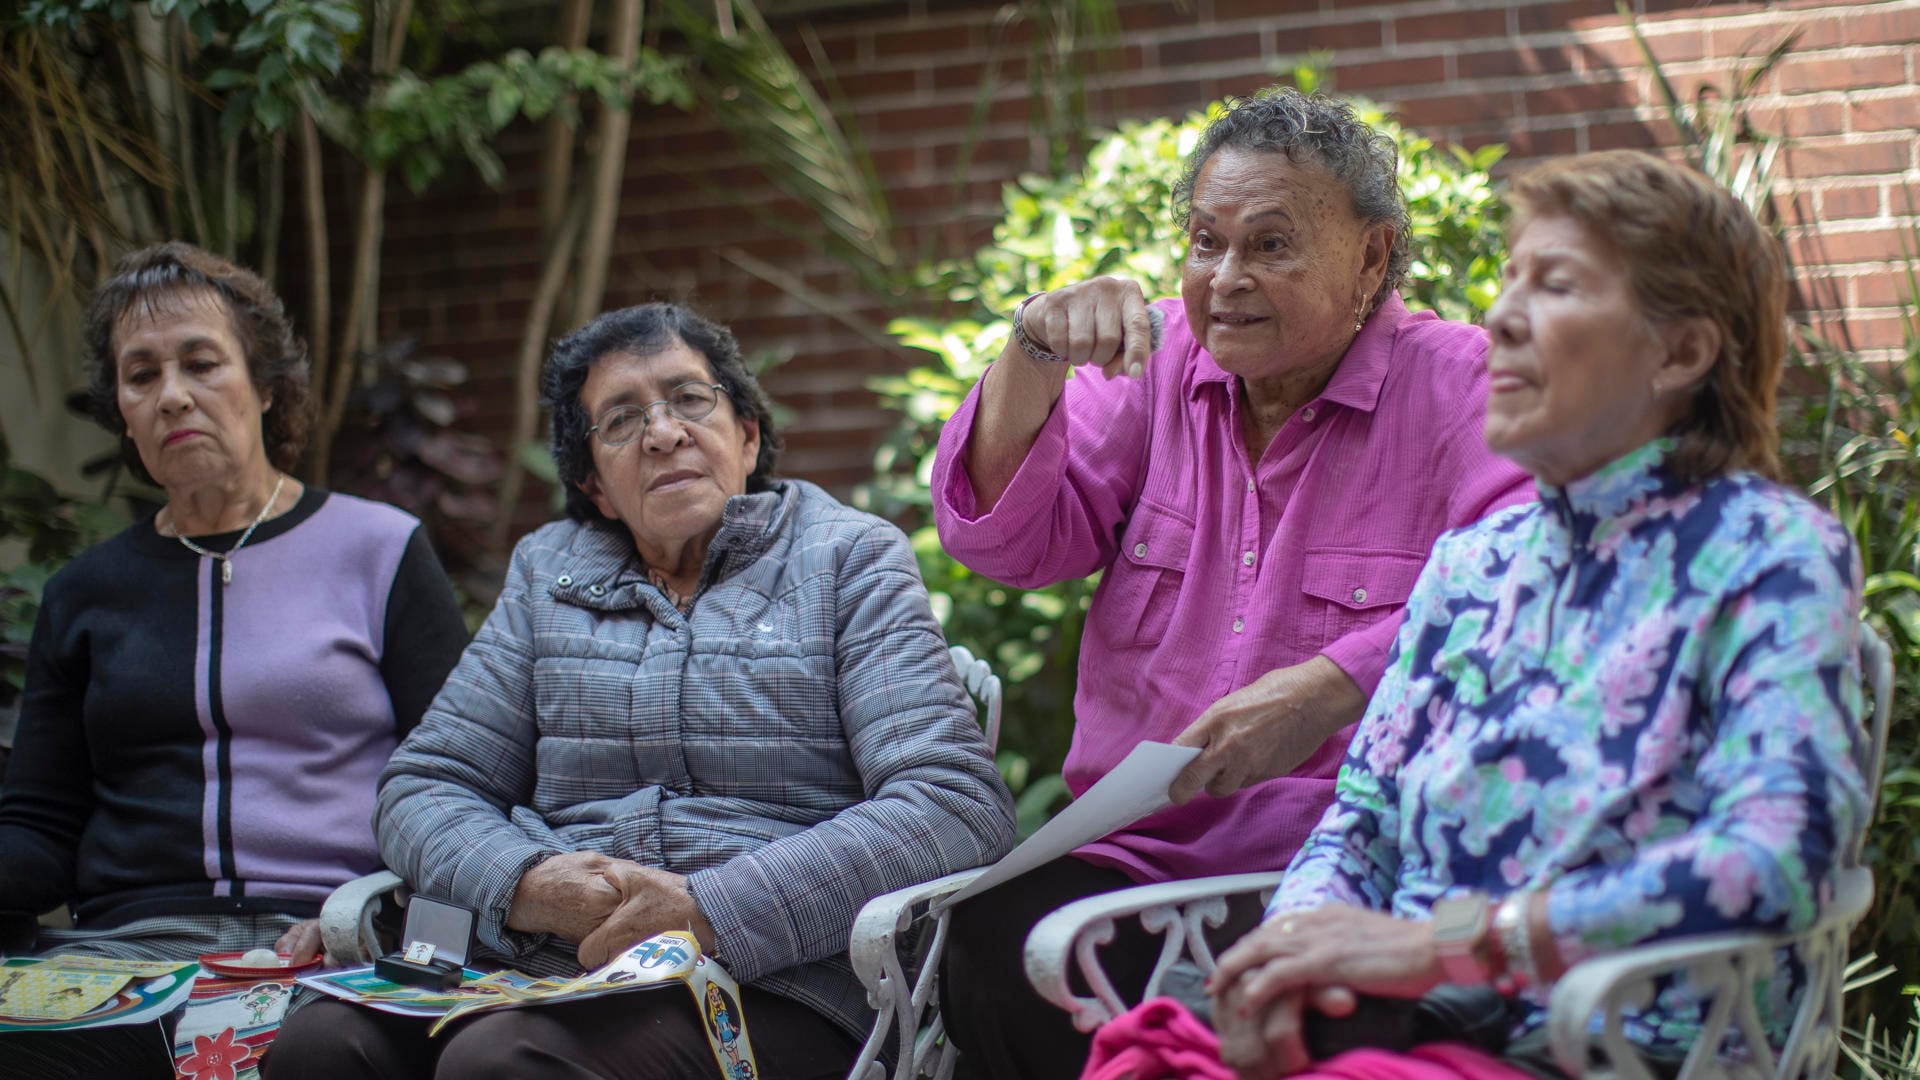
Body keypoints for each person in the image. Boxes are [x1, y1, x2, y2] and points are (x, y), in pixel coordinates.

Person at [1198, 150, 1870, 1079]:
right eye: (1509, 280)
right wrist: (1293, 959)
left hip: (1604, 1047)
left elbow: (1777, 857)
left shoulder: (1769, 552)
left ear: (1680, 352)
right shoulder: (1472, 565)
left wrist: (1449, 945)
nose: (1502, 318)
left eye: (1553, 285)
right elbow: (1359, 824)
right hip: (1395, 1032)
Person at [932, 87, 1534, 1078]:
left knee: (1324, 1009)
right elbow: (1005, 543)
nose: (1225, 279)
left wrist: (1336, 682)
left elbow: (1534, 586)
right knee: (994, 950)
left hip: (1350, 858)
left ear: (1373, 258)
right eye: (1207, 242)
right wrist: (1033, 357)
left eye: (1269, 244)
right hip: (1135, 855)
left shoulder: (1461, 385)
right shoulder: (1154, 362)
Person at [268, 302, 1017, 1080]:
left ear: (747, 434)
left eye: (691, 401)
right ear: (594, 483)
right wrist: (526, 883)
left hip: (774, 979)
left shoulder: (847, 560)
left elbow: (953, 802)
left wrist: (711, 910)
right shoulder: (546, 574)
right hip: (539, 963)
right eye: (622, 420)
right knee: (320, 1047)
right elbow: (426, 785)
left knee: (503, 1064)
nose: (663, 433)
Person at [0, 242, 470, 1078]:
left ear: (264, 385)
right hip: (124, 955)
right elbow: (38, 824)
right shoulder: (86, 593)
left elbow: (464, 790)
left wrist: (383, 918)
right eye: (140, 376)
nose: (172, 393)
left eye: (201, 362)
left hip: (332, 941)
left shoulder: (379, 551)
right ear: (122, 411)